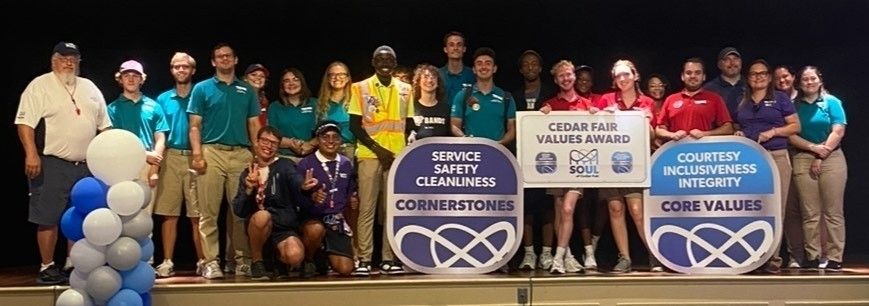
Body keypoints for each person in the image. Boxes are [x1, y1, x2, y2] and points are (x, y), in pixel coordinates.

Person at [15, 41, 112, 284]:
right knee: (48, 216)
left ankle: (74, 263)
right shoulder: (40, 85)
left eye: (73, 58)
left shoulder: (89, 87)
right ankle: (47, 266)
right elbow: (24, 123)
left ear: (79, 62)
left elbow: (105, 126)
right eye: (63, 57)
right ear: (53, 60)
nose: (69, 62)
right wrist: (31, 153)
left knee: (80, 216)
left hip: (86, 165)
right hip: (51, 162)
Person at [188, 43, 262, 279]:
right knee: (208, 212)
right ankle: (211, 261)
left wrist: (257, 153)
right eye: (220, 57)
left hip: (241, 153)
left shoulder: (247, 90)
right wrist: (197, 154)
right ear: (213, 62)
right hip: (212, 152)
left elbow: (253, 124)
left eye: (228, 56)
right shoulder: (202, 88)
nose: (224, 59)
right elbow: (194, 125)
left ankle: (241, 260)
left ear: (235, 59)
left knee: (240, 211)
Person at [348, 45, 414, 276]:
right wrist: (378, 149)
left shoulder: (406, 88)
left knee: (391, 210)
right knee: (367, 208)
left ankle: (388, 258)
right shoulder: (360, 87)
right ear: (373, 62)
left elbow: (410, 124)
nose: (385, 63)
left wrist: (397, 151)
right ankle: (365, 258)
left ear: (395, 64)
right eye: (380, 59)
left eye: (389, 60)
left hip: (396, 155)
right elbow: (354, 126)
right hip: (369, 154)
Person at [733, 59, 800, 273]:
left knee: (776, 209)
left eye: (763, 73)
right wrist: (738, 133)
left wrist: (773, 132)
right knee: (752, 208)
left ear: (769, 77)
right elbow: (737, 124)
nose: (758, 77)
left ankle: (773, 259)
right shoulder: (741, 101)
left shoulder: (780, 98)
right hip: (751, 160)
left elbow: (795, 126)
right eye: (753, 74)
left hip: (777, 156)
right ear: (748, 78)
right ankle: (753, 256)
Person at [595, 60, 658, 273]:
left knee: (637, 210)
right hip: (610, 164)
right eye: (618, 76)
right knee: (615, 208)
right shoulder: (606, 100)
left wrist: (645, 122)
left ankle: (653, 254)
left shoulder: (647, 102)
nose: (622, 79)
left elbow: (651, 135)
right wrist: (605, 115)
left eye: (626, 75)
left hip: (636, 165)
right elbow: (594, 126)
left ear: (635, 76)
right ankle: (624, 257)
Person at [232, 126, 317, 280]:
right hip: (258, 228)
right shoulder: (248, 172)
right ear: (256, 142)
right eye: (265, 141)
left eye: (274, 143)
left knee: (296, 255)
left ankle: (278, 260)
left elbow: (295, 180)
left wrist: (303, 186)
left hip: (283, 228)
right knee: (263, 216)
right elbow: (239, 210)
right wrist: (249, 189)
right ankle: (257, 262)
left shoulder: (285, 165)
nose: (268, 146)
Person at [538, 60, 598, 273]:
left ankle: (558, 257)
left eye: (569, 74)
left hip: (579, 166)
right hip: (556, 168)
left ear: (574, 76)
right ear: (556, 80)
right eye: (561, 75)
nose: (566, 78)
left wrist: (597, 115)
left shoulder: (586, 105)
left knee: (568, 208)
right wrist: (541, 116)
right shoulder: (550, 104)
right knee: (559, 212)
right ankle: (569, 256)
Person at [788, 66, 847, 271]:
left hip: (832, 157)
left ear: (819, 80)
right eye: (805, 79)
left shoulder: (832, 102)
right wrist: (813, 148)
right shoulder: (794, 105)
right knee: (810, 212)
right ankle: (812, 256)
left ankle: (834, 257)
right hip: (803, 156)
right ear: (800, 83)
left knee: (833, 211)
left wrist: (822, 153)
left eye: (813, 78)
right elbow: (791, 134)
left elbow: (838, 130)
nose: (809, 82)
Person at [153, 52, 205, 278]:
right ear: (171, 70)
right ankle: (167, 260)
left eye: (185, 67)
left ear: (193, 70)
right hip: (172, 156)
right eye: (176, 67)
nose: (181, 70)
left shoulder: (201, 94)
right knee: (169, 213)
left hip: (197, 156)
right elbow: (159, 131)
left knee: (198, 215)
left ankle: (204, 260)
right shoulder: (163, 99)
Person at [511, 50, 556, 271]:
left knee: (548, 207)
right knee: (526, 207)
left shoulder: (551, 94)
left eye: (534, 64)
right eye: (526, 64)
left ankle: (546, 253)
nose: (530, 67)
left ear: (540, 68)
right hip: (523, 159)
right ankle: (529, 253)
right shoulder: (514, 96)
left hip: (549, 159)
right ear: (521, 70)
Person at [106, 60, 169, 214]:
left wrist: (154, 169)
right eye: (127, 75)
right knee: (122, 212)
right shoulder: (112, 109)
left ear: (142, 79)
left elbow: (160, 138)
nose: (131, 79)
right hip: (122, 166)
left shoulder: (154, 106)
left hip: (147, 165)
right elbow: (113, 140)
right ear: (120, 79)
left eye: (135, 75)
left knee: (145, 216)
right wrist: (142, 153)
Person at [297, 121, 358, 277]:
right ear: (317, 140)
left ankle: (324, 256)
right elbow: (297, 199)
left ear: (340, 140)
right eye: (325, 137)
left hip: (336, 220)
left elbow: (350, 196)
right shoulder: (306, 164)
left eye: (335, 137)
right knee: (315, 230)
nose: (330, 141)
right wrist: (312, 197)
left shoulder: (345, 164)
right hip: (313, 218)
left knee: (345, 269)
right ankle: (308, 259)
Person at [773, 64, 807, 268]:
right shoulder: (775, 99)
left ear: (793, 77)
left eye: (785, 76)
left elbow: (793, 128)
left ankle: (813, 255)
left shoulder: (804, 99)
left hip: (804, 155)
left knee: (810, 209)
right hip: (783, 154)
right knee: (788, 209)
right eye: (777, 78)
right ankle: (794, 256)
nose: (782, 81)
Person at [656, 57, 734, 142]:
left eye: (697, 73)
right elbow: (659, 129)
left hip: (705, 152)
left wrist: (704, 134)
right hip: (676, 152)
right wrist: (672, 135)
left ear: (704, 77)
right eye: (688, 73)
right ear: (682, 76)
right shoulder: (670, 99)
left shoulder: (715, 99)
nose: (693, 76)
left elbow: (728, 128)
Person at [269, 68, 318, 163]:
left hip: (311, 159)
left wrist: (309, 145)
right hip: (283, 159)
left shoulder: (315, 104)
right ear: (282, 85)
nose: (291, 83)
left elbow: (323, 132)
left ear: (302, 83)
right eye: (286, 81)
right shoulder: (274, 107)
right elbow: (271, 136)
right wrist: (292, 143)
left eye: (295, 79)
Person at [316, 61, 356, 161]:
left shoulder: (356, 100)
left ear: (347, 78)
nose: (337, 78)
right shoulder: (319, 103)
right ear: (327, 78)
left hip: (350, 150)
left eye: (341, 74)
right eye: (332, 75)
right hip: (326, 150)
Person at [408, 64, 451, 142]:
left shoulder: (446, 109)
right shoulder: (410, 107)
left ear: (438, 83)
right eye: (426, 77)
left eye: (433, 77)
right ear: (418, 82)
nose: (429, 80)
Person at [704, 47, 745, 118]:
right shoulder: (709, 88)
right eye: (727, 59)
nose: (732, 63)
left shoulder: (751, 85)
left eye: (735, 59)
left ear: (741, 62)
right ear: (719, 65)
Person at [439, 31, 476, 101]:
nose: (455, 48)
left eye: (459, 45)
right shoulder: (437, 75)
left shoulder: (473, 75)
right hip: (442, 112)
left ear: (464, 49)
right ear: (445, 49)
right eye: (451, 45)